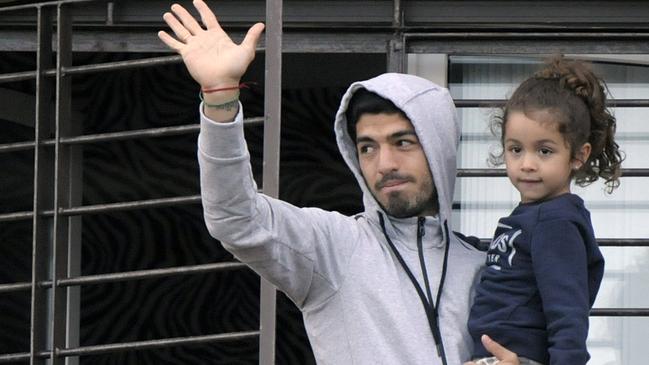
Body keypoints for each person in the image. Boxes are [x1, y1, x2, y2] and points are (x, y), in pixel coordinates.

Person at [158, 1, 521, 363]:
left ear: (438, 145)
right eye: (367, 148)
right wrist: (221, 98)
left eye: (403, 142)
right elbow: (235, 219)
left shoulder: (485, 266)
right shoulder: (334, 248)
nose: (385, 164)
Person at [466, 57, 623, 365]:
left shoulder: (556, 222)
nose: (527, 163)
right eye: (515, 149)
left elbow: (568, 317)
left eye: (544, 150)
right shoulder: (533, 215)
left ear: (578, 155)